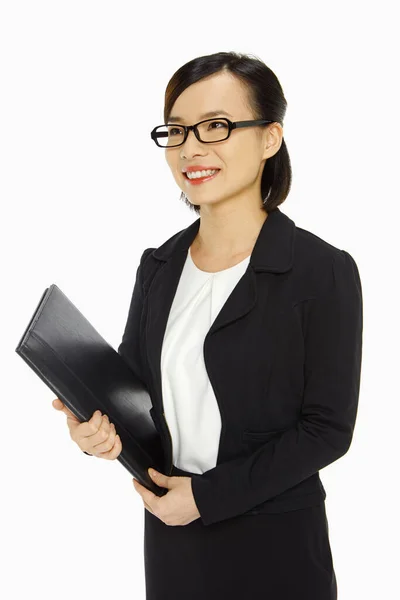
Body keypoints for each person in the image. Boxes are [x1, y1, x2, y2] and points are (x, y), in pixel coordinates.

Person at [53, 51, 363, 600]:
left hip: (277, 548)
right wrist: (94, 431)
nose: (191, 148)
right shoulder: (159, 266)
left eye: (215, 126)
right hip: (174, 541)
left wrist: (207, 497)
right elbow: (135, 396)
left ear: (270, 138)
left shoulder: (322, 271)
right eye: (176, 131)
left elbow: (327, 430)